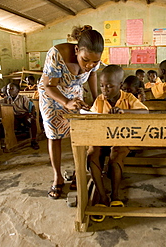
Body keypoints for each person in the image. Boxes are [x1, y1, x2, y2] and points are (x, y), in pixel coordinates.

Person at [40, 25, 103, 199]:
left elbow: (92, 76)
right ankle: (57, 177)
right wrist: (66, 102)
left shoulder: (93, 57)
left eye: (95, 62)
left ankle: (78, 171)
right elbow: (48, 85)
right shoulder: (57, 54)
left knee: (79, 134)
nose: (89, 65)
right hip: (52, 95)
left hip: (75, 94)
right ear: (76, 50)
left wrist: (97, 98)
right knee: (54, 135)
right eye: (85, 60)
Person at [87, 65, 148, 222]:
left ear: (120, 86)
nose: (104, 89)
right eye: (102, 85)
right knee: (92, 154)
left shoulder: (128, 98)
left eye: (109, 86)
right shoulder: (100, 100)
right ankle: (102, 196)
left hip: (121, 138)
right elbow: (92, 116)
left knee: (115, 157)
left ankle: (115, 195)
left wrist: (124, 111)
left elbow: (145, 112)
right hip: (102, 137)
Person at [0, 83, 39, 150]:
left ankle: (34, 141)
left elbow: (32, 106)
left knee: (31, 121)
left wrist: (32, 115)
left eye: (12, 88)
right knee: (3, 123)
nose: (9, 90)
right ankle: (8, 141)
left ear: (17, 91)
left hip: (24, 115)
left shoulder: (23, 98)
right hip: (14, 117)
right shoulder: (6, 99)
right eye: (8, 89)